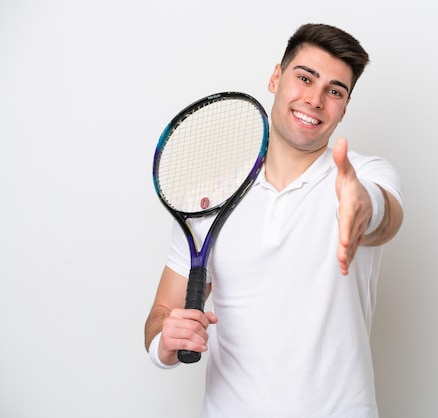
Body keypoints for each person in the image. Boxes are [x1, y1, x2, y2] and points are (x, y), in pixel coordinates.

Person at [144, 23, 404, 417]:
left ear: (344, 108)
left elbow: (384, 217)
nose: (315, 99)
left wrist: (363, 207)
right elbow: (161, 315)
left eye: (335, 91)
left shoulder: (365, 176)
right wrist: (164, 343)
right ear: (276, 78)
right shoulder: (211, 200)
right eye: (305, 78)